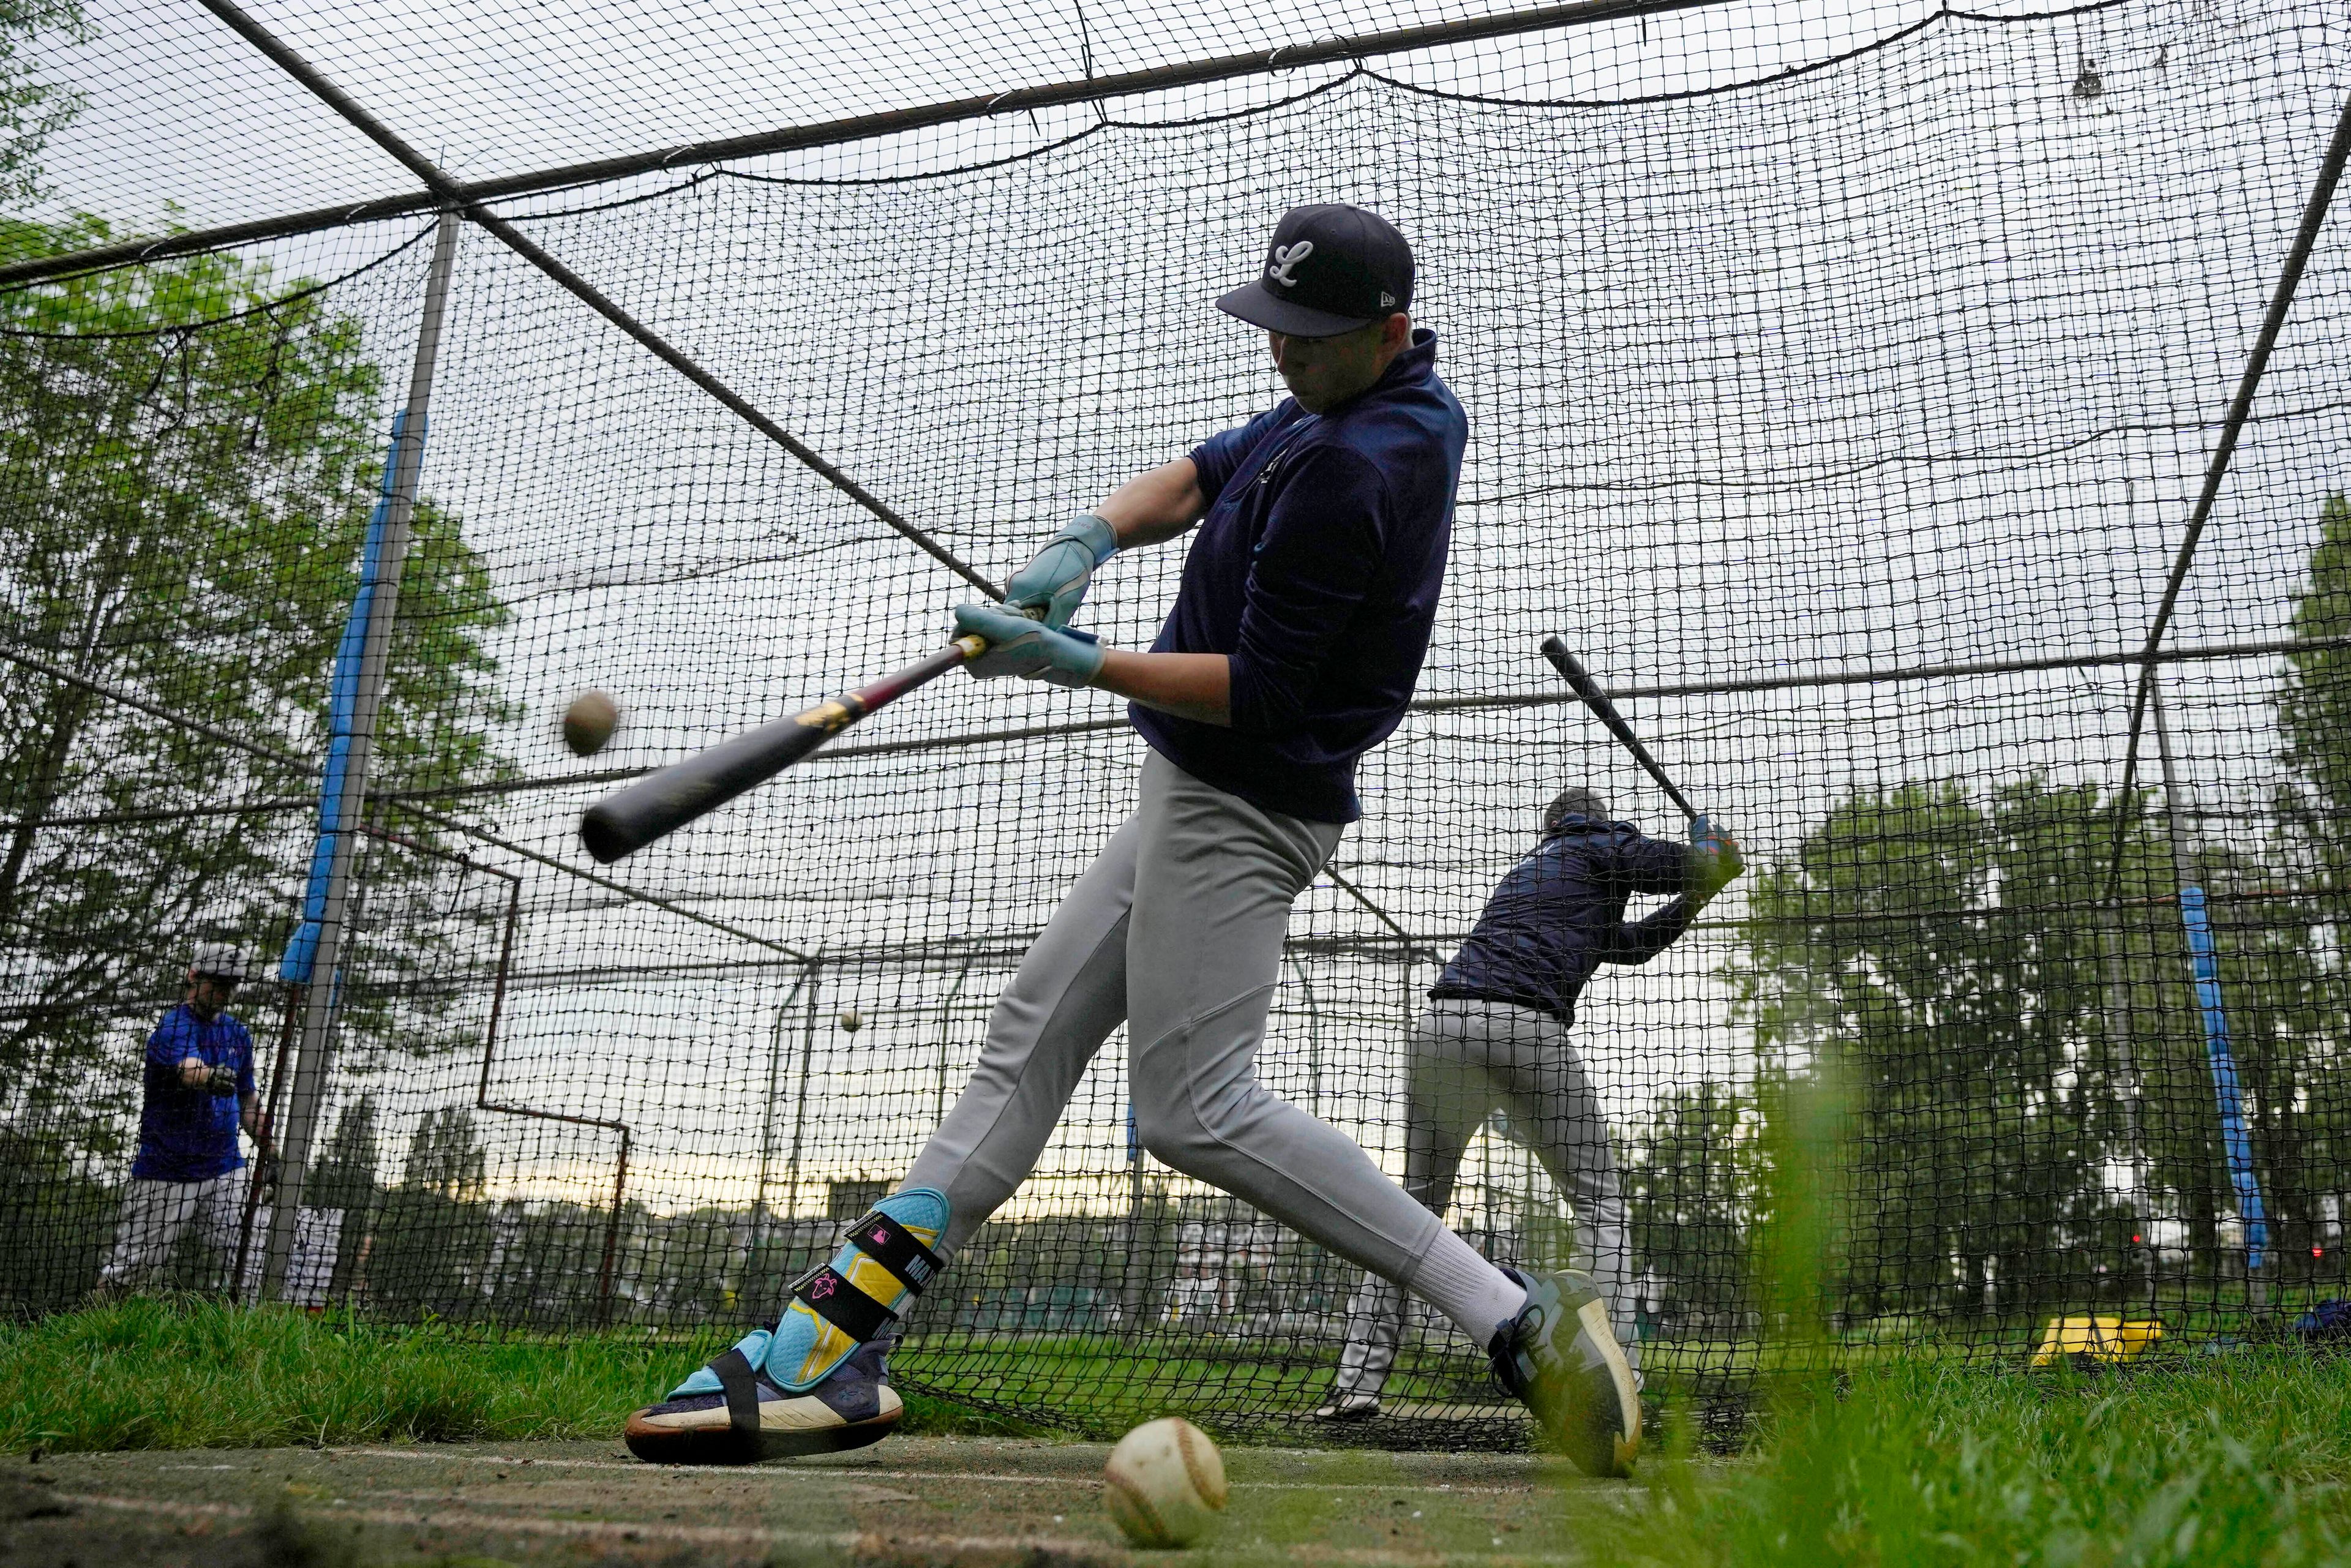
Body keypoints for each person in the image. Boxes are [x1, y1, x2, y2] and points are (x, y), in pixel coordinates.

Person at [628, 204, 1643, 1476]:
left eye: (1310, 340)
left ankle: (1517, 1320)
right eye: (1276, 328)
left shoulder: (1359, 467)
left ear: (1385, 334)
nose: (1283, 356)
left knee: (1194, 1107)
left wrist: (1076, 660)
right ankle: (832, 1343)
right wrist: (1089, 537)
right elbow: (1205, 472)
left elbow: (1262, 689)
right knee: (1027, 1034)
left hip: (1243, 800)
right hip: (1198, 792)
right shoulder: (1343, 398)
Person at [1312, 787, 1741, 1422]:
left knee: (1411, 1213)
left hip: (1442, 1025)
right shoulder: (1599, 843)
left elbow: (1633, 943)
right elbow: (1671, 865)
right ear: (1589, 822)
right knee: (1600, 1198)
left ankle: (1356, 1383)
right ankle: (1622, 1374)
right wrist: (1710, 858)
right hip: (1524, 1026)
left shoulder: (1538, 874)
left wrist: (1700, 890)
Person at [96, 942, 276, 1294]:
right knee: (135, 1266)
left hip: (225, 1166)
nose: (224, 992)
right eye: (217, 982)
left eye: (231, 985)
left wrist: (271, 1151)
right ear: (194, 976)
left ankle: (242, 1331)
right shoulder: (173, 1026)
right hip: (168, 1171)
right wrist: (211, 1077)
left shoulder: (237, 1034)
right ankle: (92, 1329)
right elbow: (189, 1071)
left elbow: (248, 1099)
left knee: (252, 1249)